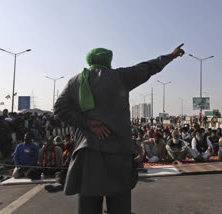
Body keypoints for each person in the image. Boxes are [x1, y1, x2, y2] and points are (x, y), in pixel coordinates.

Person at [54, 44, 185, 214]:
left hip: (87, 155)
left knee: (88, 207)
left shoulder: (75, 81)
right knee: (119, 207)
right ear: (108, 61)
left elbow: (59, 109)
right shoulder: (120, 77)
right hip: (118, 154)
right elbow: (148, 67)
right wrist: (171, 55)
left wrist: (88, 124)